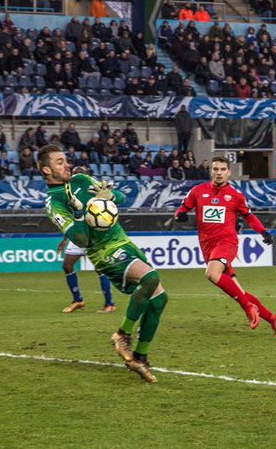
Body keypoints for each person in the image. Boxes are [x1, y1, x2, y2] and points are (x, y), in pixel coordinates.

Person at [39, 144, 168, 382]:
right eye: (59, 162)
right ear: (46, 170)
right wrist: (79, 214)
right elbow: (80, 239)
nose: (67, 164)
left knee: (159, 299)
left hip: (123, 241)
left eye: (66, 160)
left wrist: (109, 196)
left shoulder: (80, 179)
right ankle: (122, 334)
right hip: (103, 251)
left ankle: (140, 357)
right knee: (150, 278)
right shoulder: (54, 203)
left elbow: (118, 198)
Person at [174, 156, 276, 337]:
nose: (219, 173)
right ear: (211, 171)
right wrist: (180, 216)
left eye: (222, 169)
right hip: (208, 247)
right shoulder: (197, 191)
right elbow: (181, 209)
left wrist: (262, 231)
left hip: (227, 243)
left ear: (229, 172)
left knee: (211, 273)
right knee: (238, 290)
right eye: (216, 169)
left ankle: (248, 308)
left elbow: (249, 215)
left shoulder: (235, 196)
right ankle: (273, 318)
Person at [56, 166, 115, 314]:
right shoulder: (70, 194)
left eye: (78, 175)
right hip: (78, 235)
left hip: (94, 235)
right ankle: (78, 300)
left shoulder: (94, 193)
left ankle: (109, 304)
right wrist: (64, 239)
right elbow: (71, 219)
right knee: (67, 265)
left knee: (100, 268)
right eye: (74, 174)